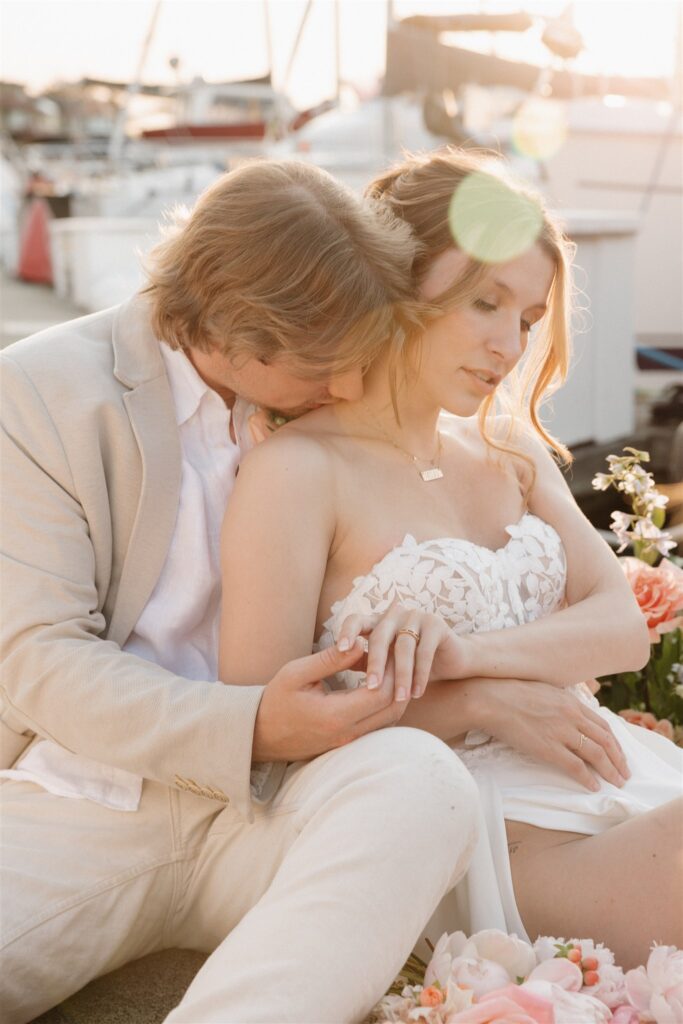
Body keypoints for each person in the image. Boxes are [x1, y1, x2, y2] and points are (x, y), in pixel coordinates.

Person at [0, 160, 484, 1024]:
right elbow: (37, 660)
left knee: (423, 782)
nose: (345, 388)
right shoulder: (39, 394)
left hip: (276, 802)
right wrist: (251, 722)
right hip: (89, 796)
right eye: (322, 366)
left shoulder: (334, 397)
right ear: (231, 332)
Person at [218, 149, 683, 970]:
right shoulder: (296, 472)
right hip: (489, 828)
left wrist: (467, 659)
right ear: (395, 282)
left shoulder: (510, 452)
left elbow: (620, 630)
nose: (508, 345)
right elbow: (262, 731)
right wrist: (478, 705)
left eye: (529, 320)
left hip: (613, 773)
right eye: (484, 302)